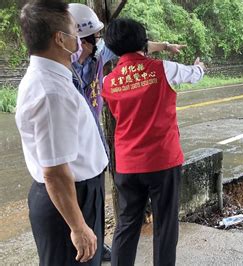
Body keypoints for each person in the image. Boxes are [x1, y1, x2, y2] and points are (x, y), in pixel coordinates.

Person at [67, 3, 186, 261]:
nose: (98, 43)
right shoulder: (63, 70)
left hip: (100, 150)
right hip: (71, 149)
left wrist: (165, 46)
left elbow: (133, 46)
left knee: (112, 213)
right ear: (77, 42)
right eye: (94, 38)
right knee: (80, 211)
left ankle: (96, 247)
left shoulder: (101, 58)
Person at [101, 18, 205, 265]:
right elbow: (194, 75)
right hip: (163, 161)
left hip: (126, 165)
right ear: (143, 42)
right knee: (165, 225)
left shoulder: (108, 82)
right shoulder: (163, 69)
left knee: (126, 224)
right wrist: (200, 67)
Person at [16, 0, 108, 265]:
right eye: (73, 32)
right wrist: (78, 227)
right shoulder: (51, 92)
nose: (78, 39)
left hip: (76, 194)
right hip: (68, 200)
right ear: (60, 39)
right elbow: (55, 172)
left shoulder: (53, 77)